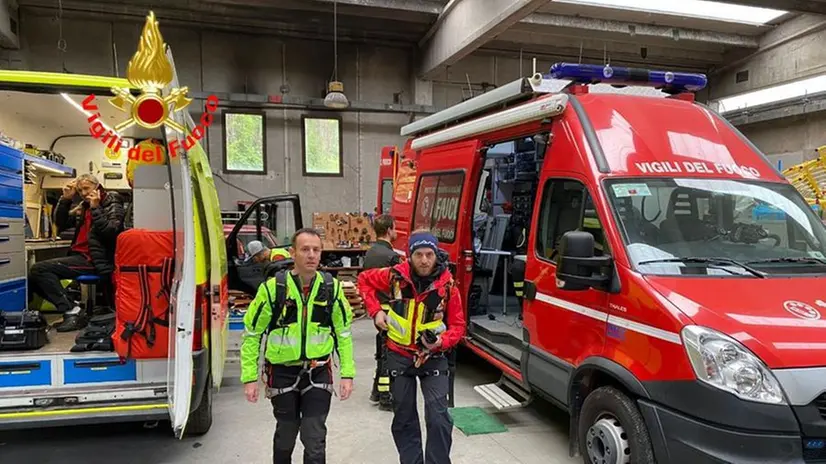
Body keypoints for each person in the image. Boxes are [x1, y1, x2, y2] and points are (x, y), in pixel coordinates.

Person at [241, 227, 355, 464]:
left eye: (316, 250)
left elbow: (343, 334)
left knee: (314, 438)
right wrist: (249, 378)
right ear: (293, 253)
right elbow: (252, 335)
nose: (311, 255)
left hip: (319, 371)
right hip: (282, 373)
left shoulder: (331, 289)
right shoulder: (273, 290)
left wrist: (348, 374)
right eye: (305, 249)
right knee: (286, 436)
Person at [358, 229, 466, 464]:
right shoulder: (393, 276)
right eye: (419, 254)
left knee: (438, 418)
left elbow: (458, 326)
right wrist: (375, 311)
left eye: (429, 254)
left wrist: (440, 342)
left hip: (433, 356)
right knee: (404, 419)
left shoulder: (448, 286)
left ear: (437, 255)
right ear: (410, 255)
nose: (424, 260)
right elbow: (364, 280)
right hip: (399, 354)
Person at [29, 174, 125, 332]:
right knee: (34, 275)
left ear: (97, 186)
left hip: (96, 260)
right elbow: (61, 224)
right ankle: (72, 307)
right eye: (80, 190)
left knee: (39, 269)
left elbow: (111, 231)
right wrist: (65, 200)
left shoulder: (110, 200)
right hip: (80, 257)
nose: (84, 193)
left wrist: (96, 208)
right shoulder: (84, 206)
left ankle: (73, 311)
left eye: (86, 188)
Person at [363, 214, 401, 410]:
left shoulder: (370, 253)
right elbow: (398, 288)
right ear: (388, 230)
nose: (396, 232)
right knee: (389, 355)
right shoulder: (391, 256)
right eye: (395, 228)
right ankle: (386, 397)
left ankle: (377, 391)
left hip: (376, 308)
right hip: (390, 310)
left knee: (382, 351)